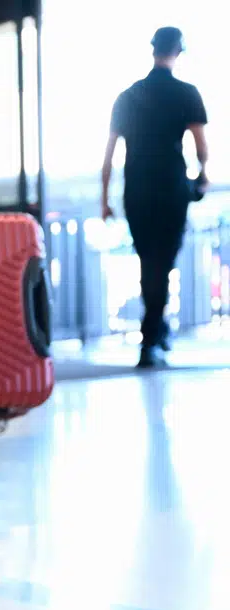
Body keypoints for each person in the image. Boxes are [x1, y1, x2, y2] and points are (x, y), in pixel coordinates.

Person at [101, 26, 209, 369]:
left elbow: (108, 156)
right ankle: (153, 336)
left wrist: (104, 199)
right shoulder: (187, 94)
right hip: (172, 189)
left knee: (149, 260)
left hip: (137, 190)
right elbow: (201, 148)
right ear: (178, 50)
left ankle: (155, 334)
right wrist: (201, 176)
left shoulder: (128, 97)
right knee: (163, 261)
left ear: (152, 50)